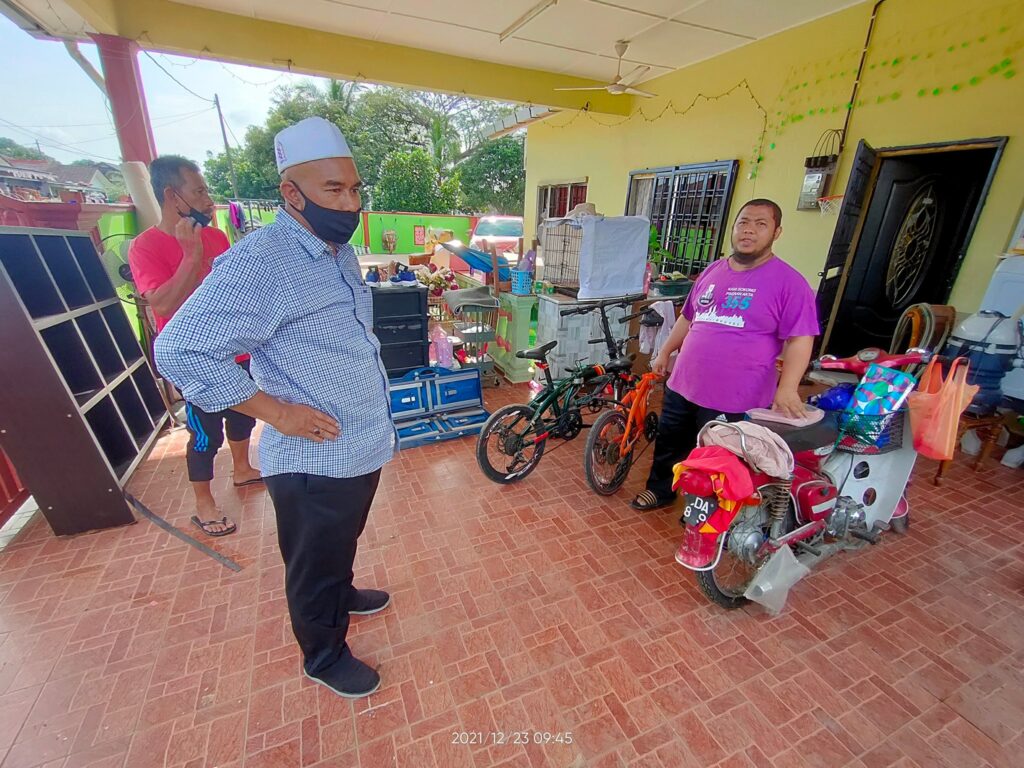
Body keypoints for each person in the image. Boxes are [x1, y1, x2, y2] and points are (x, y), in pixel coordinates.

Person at [155, 117, 396, 699]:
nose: (351, 203)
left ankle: (341, 593)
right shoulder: (262, 260)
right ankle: (323, 654)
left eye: (355, 189)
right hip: (313, 457)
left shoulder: (336, 251)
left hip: (357, 443)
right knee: (313, 559)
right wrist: (277, 413)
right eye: (333, 190)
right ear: (292, 193)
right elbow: (179, 349)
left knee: (340, 540)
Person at [631, 199, 819, 511]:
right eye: (743, 222)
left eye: (761, 224)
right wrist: (665, 351)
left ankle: (705, 508)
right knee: (670, 441)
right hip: (684, 383)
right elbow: (688, 318)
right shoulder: (713, 271)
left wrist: (787, 387)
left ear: (777, 233)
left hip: (736, 397)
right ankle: (661, 490)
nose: (749, 230)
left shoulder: (789, 283)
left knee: (720, 456)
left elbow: (801, 338)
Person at [128, 156, 262, 537]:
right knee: (205, 431)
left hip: (234, 348)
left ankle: (242, 469)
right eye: (199, 191)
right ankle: (204, 503)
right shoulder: (145, 247)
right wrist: (190, 257)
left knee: (243, 415)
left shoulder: (216, 237)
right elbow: (163, 304)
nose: (208, 200)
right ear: (173, 196)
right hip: (194, 359)